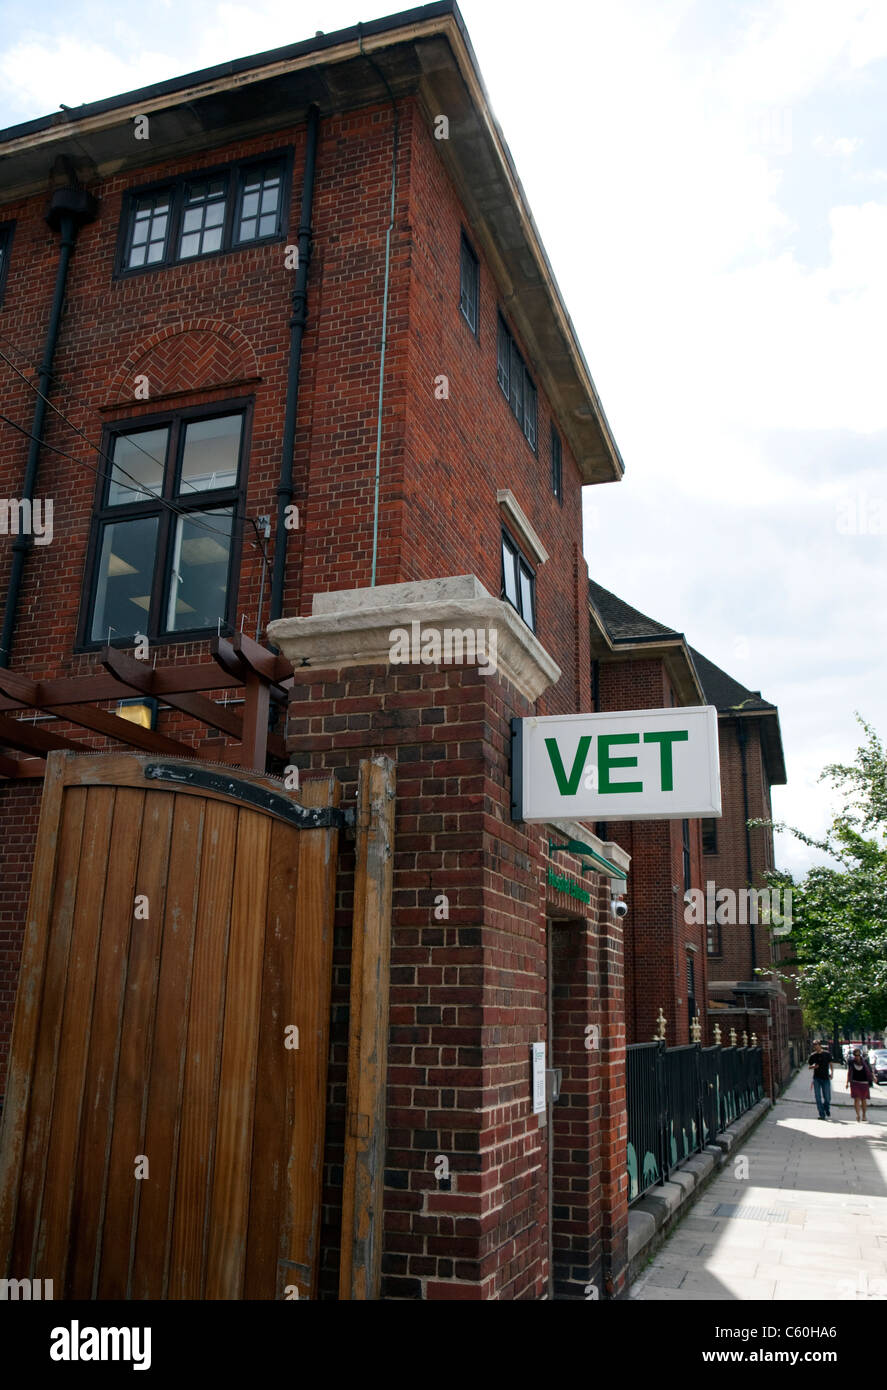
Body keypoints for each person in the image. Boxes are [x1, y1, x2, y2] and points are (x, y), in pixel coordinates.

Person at [846, 1047, 875, 1122]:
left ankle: (864, 1115)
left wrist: (873, 1077)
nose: (857, 1057)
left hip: (864, 1082)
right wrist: (847, 1082)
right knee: (856, 1099)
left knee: (863, 1099)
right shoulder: (851, 1062)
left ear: (860, 1055)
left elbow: (870, 1070)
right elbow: (849, 1072)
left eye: (858, 1055)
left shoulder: (865, 1061)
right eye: (856, 1055)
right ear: (854, 1056)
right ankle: (858, 1115)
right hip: (855, 1082)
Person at [807, 1039, 834, 1119]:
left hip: (825, 1077)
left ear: (820, 1045)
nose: (815, 1046)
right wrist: (814, 1067)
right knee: (818, 1097)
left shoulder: (827, 1054)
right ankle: (822, 1114)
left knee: (827, 1097)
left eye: (817, 1045)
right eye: (814, 1045)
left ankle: (826, 1108)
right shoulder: (813, 1055)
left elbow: (831, 1064)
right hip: (817, 1079)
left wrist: (832, 1073)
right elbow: (809, 1066)